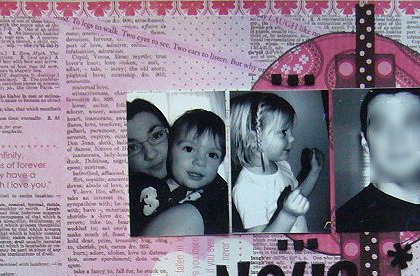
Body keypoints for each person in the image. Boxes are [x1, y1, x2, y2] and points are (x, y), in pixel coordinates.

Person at [335, 88, 420, 232]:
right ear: (365, 142)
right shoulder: (346, 224)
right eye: (380, 127)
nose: (396, 138)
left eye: (411, 124)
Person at [230, 92, 325, 234]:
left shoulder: (282, 165)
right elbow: (261, 241)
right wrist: (288, 214)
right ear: (254, 139)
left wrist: (314, 173)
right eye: (284, 132)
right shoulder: (246, 189)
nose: (292, 138)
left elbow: (298, 197)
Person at [129, 108, 229, 236]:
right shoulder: (136, 187)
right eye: (132, 147)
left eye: (156, 136)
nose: (200, 162)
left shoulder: (218, 195)